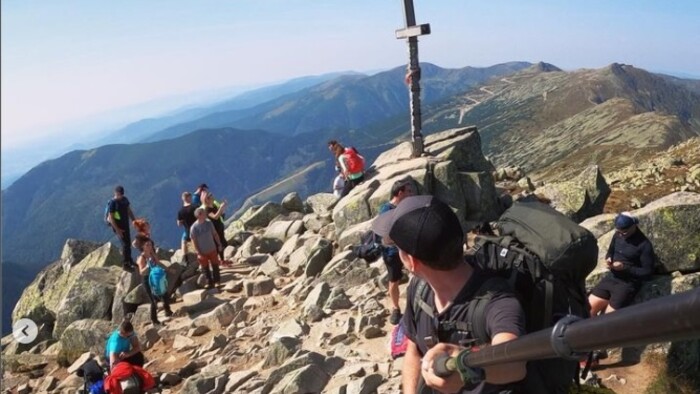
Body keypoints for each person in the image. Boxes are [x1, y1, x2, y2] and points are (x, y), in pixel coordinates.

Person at [372, 195, 526, 393]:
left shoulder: (497, 301)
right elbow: (413, 348)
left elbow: (514, 364)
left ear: (411, 261)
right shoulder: (418, 289)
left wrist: (466, 364)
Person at [589, 212, 655, 315]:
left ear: (634, 226)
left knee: (607, 319)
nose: (621, 234)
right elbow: (610, 251)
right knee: (588, 310)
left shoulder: (644, 245)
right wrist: (609, 258)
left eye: (624, 232)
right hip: (612, 277)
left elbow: (647, 272)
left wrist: (624, 267)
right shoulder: (617, 235)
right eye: (618, 231)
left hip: (627, 284)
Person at [377, 176, 416, 325]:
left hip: (407, 247)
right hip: (392, 251)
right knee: (394, 280)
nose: (411, 193)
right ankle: (395, 308)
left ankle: (417, 304)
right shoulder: (386, 210)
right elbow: (385, 234)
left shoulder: (405, 206)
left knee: (417, 272)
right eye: (408, 191)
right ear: (400, 193)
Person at [133, 234, 173, 326]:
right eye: (147, 245)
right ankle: (154, 320)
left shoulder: (152, 254)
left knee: (164, 292)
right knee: (153, 301)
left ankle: (167, 310)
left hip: (156, 277)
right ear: (142, 246)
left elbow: (158, 263)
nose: (150, 246)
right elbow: (141, 272)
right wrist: (147, 266)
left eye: (150, 245)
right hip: (147, 280)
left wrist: (168, 269)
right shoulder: (141, 258)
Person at [190, 207, 223, 288]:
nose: (206, 214)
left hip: (212, 248)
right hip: (202, 252)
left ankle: (217, 281)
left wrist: (219, 244)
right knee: (205, 268)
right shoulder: (194, 228)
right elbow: (193, 241)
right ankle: (209, 283)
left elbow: (215, 234)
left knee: (215, 266)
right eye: (204, 213)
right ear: (199, 215)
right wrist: (198, 252)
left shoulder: (209, 223)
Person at [108, 185, 137, 271]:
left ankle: (129, 260)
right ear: (115, 193)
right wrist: (118, 230)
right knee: (125, 245)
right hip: (118, 227)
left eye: (121, 195)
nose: (119, 196)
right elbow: (111, 218)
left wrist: (134, 221)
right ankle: (125, 265)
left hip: (125, 225)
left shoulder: (125, 200)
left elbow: (128, 210)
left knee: (128, 243)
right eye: (118, 195)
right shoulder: (112, 203)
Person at [203, 193, 231, 265]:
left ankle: (222, 260)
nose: (213, 198)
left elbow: (219, 214)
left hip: (219, 227)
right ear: (207, 200)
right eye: (211, 198)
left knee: (223, 243)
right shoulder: (207, 209)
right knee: (219, 245)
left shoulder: (214, 205)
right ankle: (218, 261)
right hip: (214, 230)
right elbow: (215, 217)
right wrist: (221, 208)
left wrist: (223, 207)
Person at [177, 191, 198, 261]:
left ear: (182, 199)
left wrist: (183, 221)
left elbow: (179, 224)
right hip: (199, 230)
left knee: (183, 240)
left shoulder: (180, 211)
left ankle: (185, 259)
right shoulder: (195, 207)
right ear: (189, 197)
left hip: (189, 233)